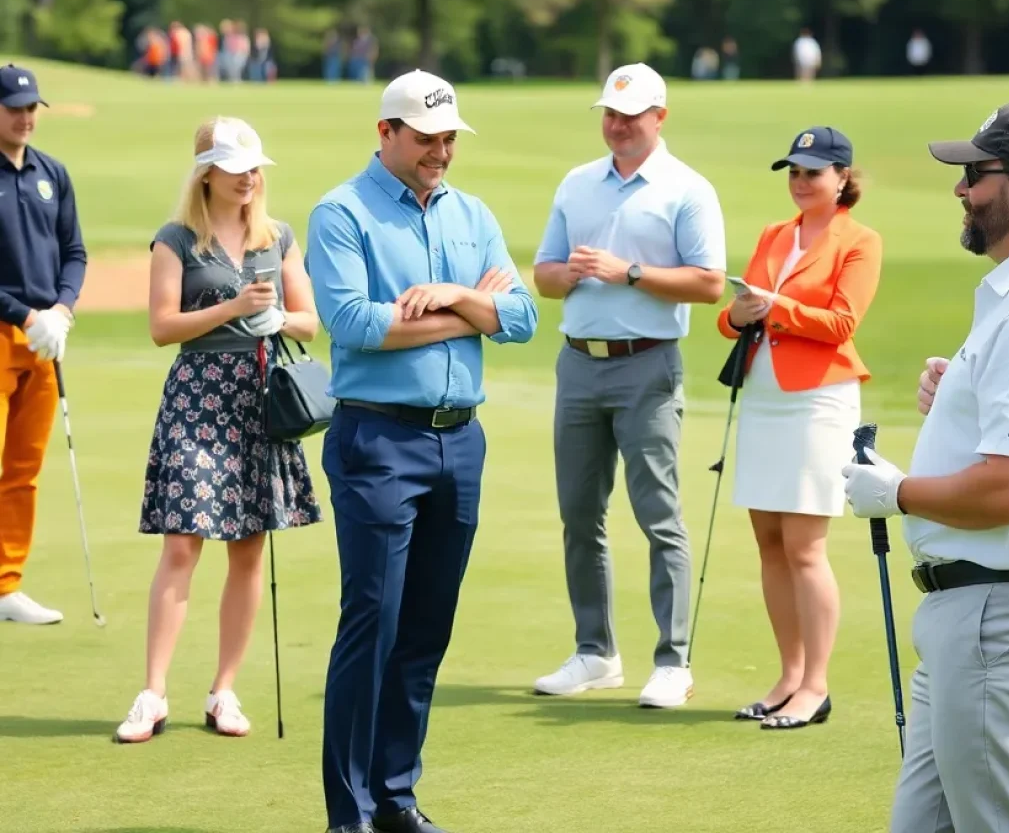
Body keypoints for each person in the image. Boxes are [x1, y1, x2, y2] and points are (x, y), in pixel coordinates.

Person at [306, 69, 538, 833]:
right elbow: (353, 322)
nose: (441, 151)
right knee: (372, 622)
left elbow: (524, 317)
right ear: (387, 133)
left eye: (449, 139)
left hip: (459, 441)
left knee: (426, 628)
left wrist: (451, 296)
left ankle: (395, 797)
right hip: (378, 438)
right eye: (427, 138)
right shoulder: (341, 212)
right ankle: (350, 814)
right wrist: (473, 310)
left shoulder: (472, 213)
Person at [842, 102, 1009, 831]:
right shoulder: (1005, 303)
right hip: (967, 617)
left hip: (992, 616)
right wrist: (961, 394)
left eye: (976, 175)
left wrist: (899, 493)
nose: (960, 189)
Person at [114, 116, 323, 744]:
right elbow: (162, 327)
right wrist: (232, 308)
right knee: (182, 543)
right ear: (207, 175)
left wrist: (277, 319)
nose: (248, 178)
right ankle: (153, 693)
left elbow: (310, 322)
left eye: (254, 168)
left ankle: (223, 690)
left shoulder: (278, 237)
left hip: (259, 399)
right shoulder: (175, 239)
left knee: (249, 547)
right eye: (235, 169)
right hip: (197, 397)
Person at [531, 62, 727, 709]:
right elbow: (544, 275)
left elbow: (709, 283)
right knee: (579, 515)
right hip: (578, 363)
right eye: (610, 115)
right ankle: (596, 652)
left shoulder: (686, 189)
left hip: (648, 365)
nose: (617, 125)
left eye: (631, 115)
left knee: (658, 515)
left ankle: (673, 661)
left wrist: (629, 273)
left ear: (659, 118)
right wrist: (569, 274)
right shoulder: (577, 183)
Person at [718, 126, 882, 730]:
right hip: (764, 398)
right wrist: (739, 313)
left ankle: (816, 685)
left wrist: (775, 305)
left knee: (805, 547)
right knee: (769, 542)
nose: (800, 181)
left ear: (842, 179)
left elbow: (841, 323)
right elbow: (731, 321)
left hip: (818, 402)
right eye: (793, 171)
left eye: (812, 172)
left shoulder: (860, 241)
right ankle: (789, 677)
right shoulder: (773, 234)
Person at [0, 64, 87, 625]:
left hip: (44, 338)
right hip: (7, 328)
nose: (25, 117)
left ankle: (5, 585)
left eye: (31, 108)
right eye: (14, 109)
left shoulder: (51, 172)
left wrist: (61, 310)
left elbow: (74, 252)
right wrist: (26, 314)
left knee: (22, 467)